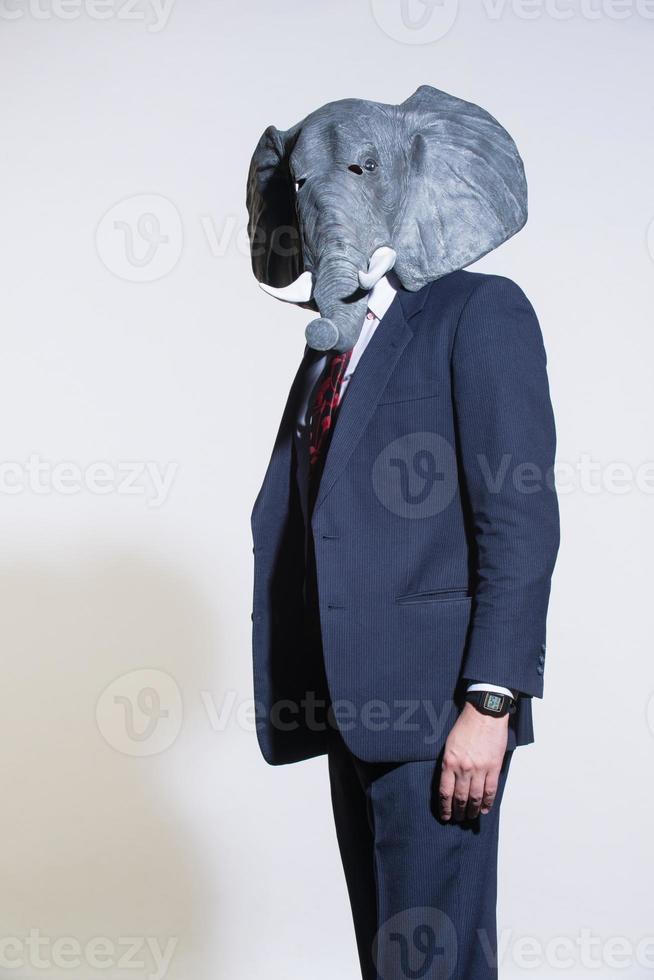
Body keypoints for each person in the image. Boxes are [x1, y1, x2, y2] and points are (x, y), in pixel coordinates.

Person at [247, 86, 559, 980]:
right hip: (353, 711)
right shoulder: (330, 350)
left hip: (440, 717)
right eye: (307, 183)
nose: (323, 201)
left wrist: (490, 703)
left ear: (420, 178)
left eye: (352, 170)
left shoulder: (479, 312)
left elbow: (520, 516)